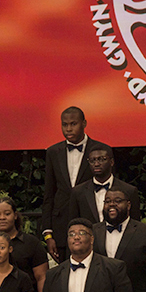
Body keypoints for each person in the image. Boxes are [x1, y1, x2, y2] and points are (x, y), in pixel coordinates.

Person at [41, 106, 107, 261]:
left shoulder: (101, 150)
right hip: (61, 227)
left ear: (84, 123)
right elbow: (49, 193)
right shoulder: (53, 152)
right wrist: (48, 233)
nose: (68, 129)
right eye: (65, 124)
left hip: (92, 224)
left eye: (73, 124)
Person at [69, 144, 141, 223]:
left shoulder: (129, 190)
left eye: (101, 159)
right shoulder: (78, 191)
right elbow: (73, 223)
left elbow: (135, 224)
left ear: (111, 162)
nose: (96, 164)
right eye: (92, 160)